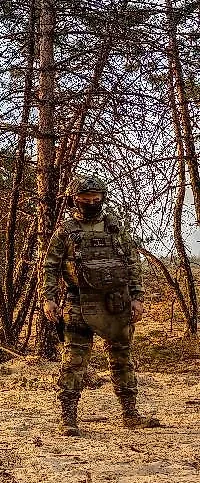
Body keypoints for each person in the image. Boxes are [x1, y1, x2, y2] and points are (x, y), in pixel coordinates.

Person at [42, 174, 159, 437]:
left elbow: (132, 263)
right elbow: (50, 267)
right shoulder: (66, 232)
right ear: (74, 200)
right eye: (85, 199)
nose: (91, 202)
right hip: (78, 302)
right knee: (73, 361)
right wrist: (49, 299)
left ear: (102, 199)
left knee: (122, 358)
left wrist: (137, 297)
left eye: (95, 198)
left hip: (116, 303)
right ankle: (68, 417)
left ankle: (130, 413)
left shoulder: (115, 228)